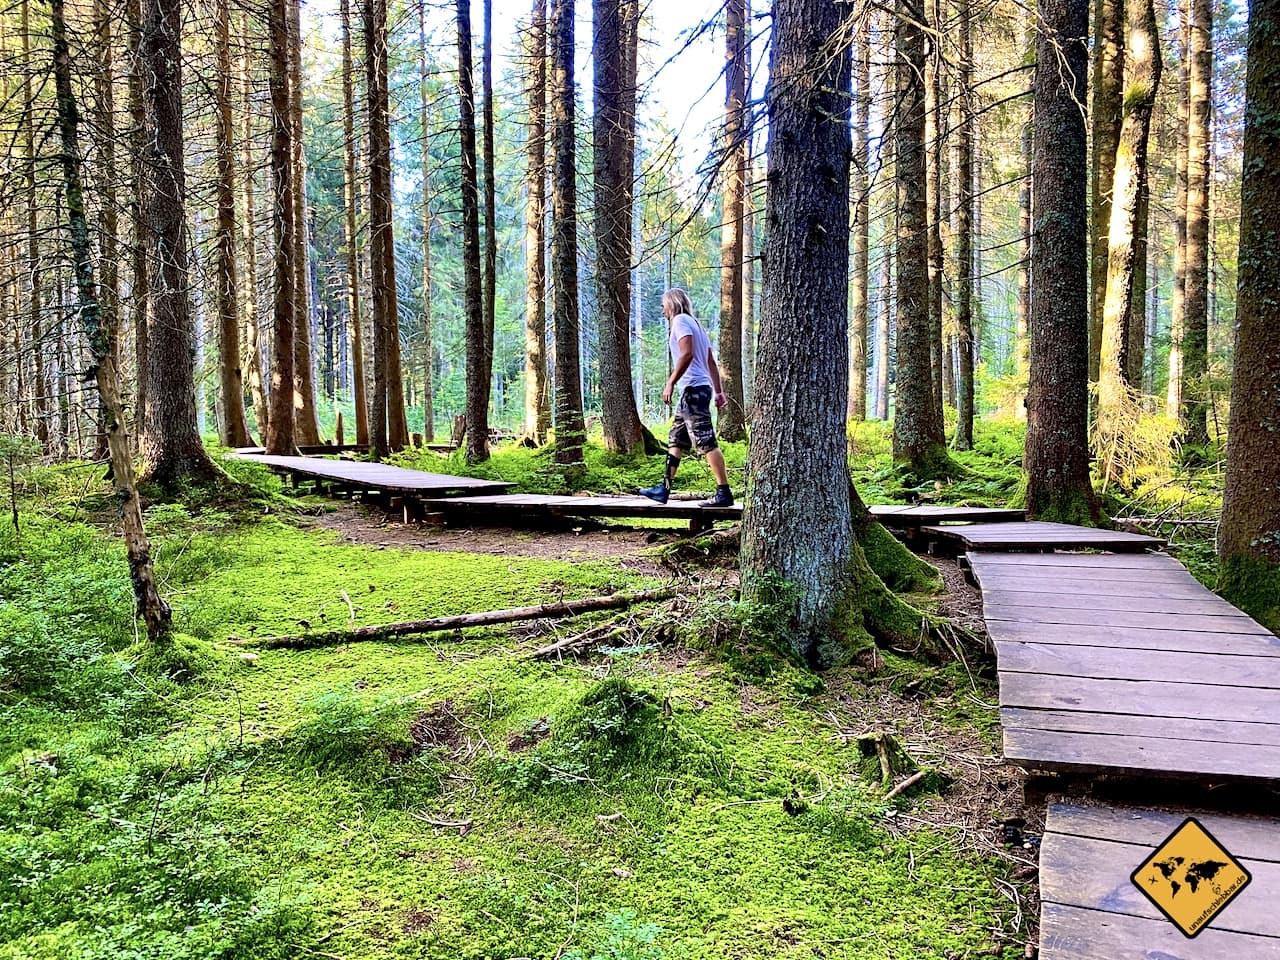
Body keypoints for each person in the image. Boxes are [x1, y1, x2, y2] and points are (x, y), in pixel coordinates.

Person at [639, 288, 734, 507]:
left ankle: (723, 492)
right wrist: (718, 392)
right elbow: (710, 361)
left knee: (705, 439)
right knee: (676, 439)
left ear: (672, 304)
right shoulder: (696, 324)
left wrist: (671, 381)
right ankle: (664, 489)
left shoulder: (680, 321)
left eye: (663, 306)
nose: (663, 311)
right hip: (696, 390)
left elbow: (687, 353)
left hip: (693, 390)